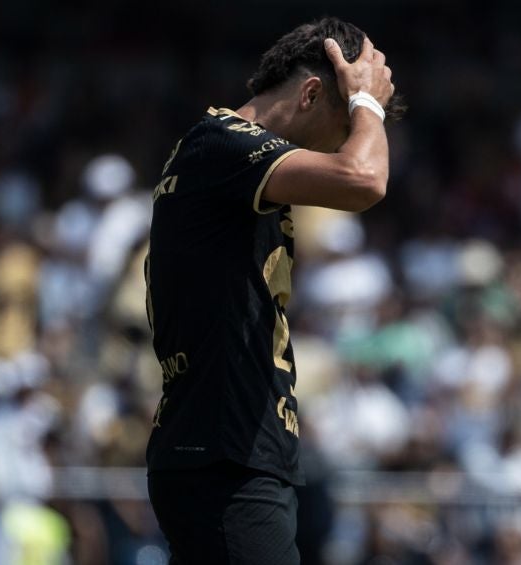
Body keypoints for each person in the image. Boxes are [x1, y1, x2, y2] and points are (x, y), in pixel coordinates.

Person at [144, 16, 400, 564]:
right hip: (225, 456)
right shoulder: (223, 144)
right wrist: (367, 107)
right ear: (312, 92)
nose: (332, 152)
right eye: (335, 132)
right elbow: (364, 179)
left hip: (226, 451)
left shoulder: (221, 158)